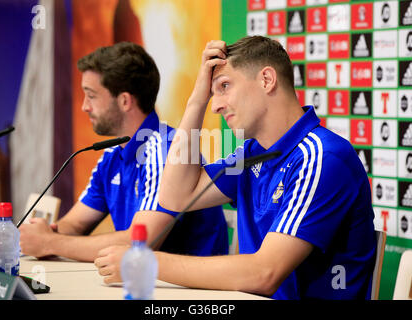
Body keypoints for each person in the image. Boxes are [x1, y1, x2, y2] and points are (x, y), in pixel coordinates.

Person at [94, 36, 377, 300]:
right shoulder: (254, 155)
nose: (215, 105)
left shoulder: (322, 157)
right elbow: (174, 198)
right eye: (211, 93)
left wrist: (146, 262)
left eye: (224, 87)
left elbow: (264, 273)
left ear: (266, 80)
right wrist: (197, 99)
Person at [19, 42, 228, 262]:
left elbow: (140, 242)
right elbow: (76, 223)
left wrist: (50, 242)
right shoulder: (112, 155)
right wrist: (40, 234)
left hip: (189, 292)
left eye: (91, 95)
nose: (84, 107)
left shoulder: (166, 151)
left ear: (125, 101)